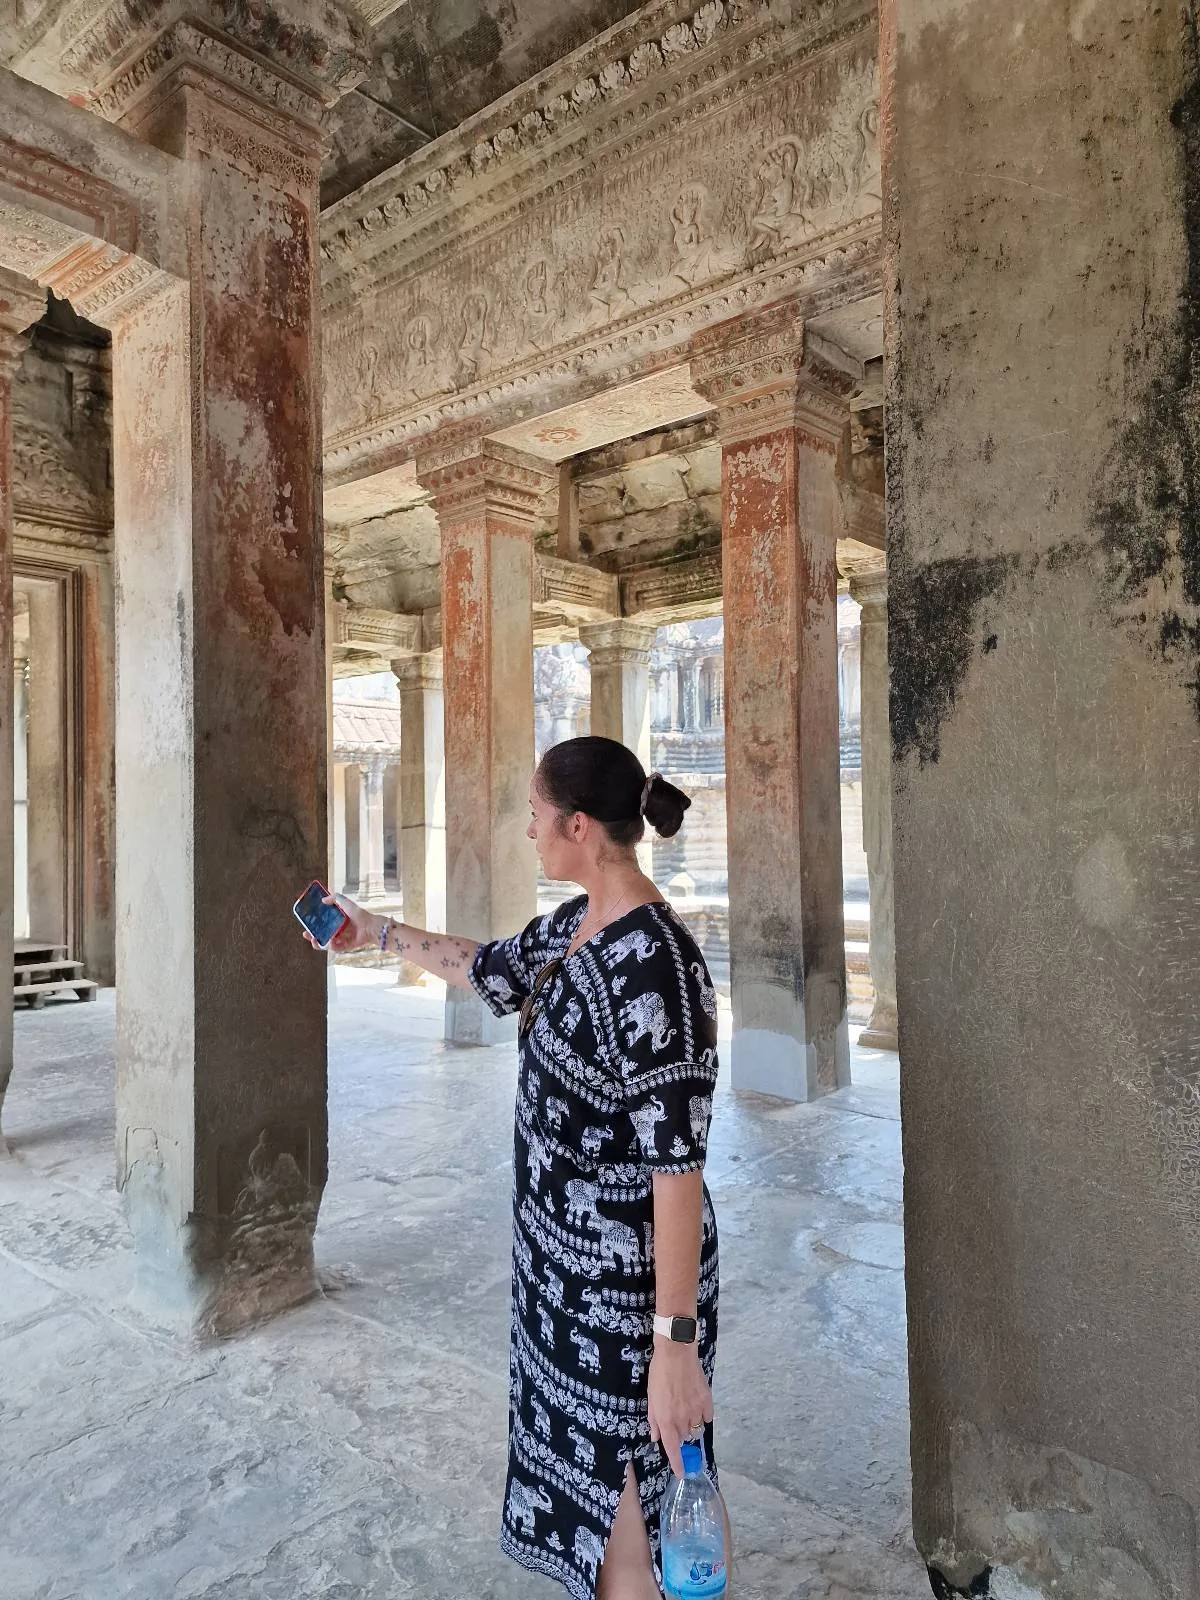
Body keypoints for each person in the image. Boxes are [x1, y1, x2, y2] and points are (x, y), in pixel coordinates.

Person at [320, 736, 722, 1600]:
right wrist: (374, 932)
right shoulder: (574, 926)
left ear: (578, 826)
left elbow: (677, 1171)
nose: (527, 832)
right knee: (599, 1514)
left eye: (535, 817)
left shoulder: (660, 964)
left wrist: (675, 1346)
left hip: (628, 1297)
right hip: (557, 1281)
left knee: (636, 1525)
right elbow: (484, 967)